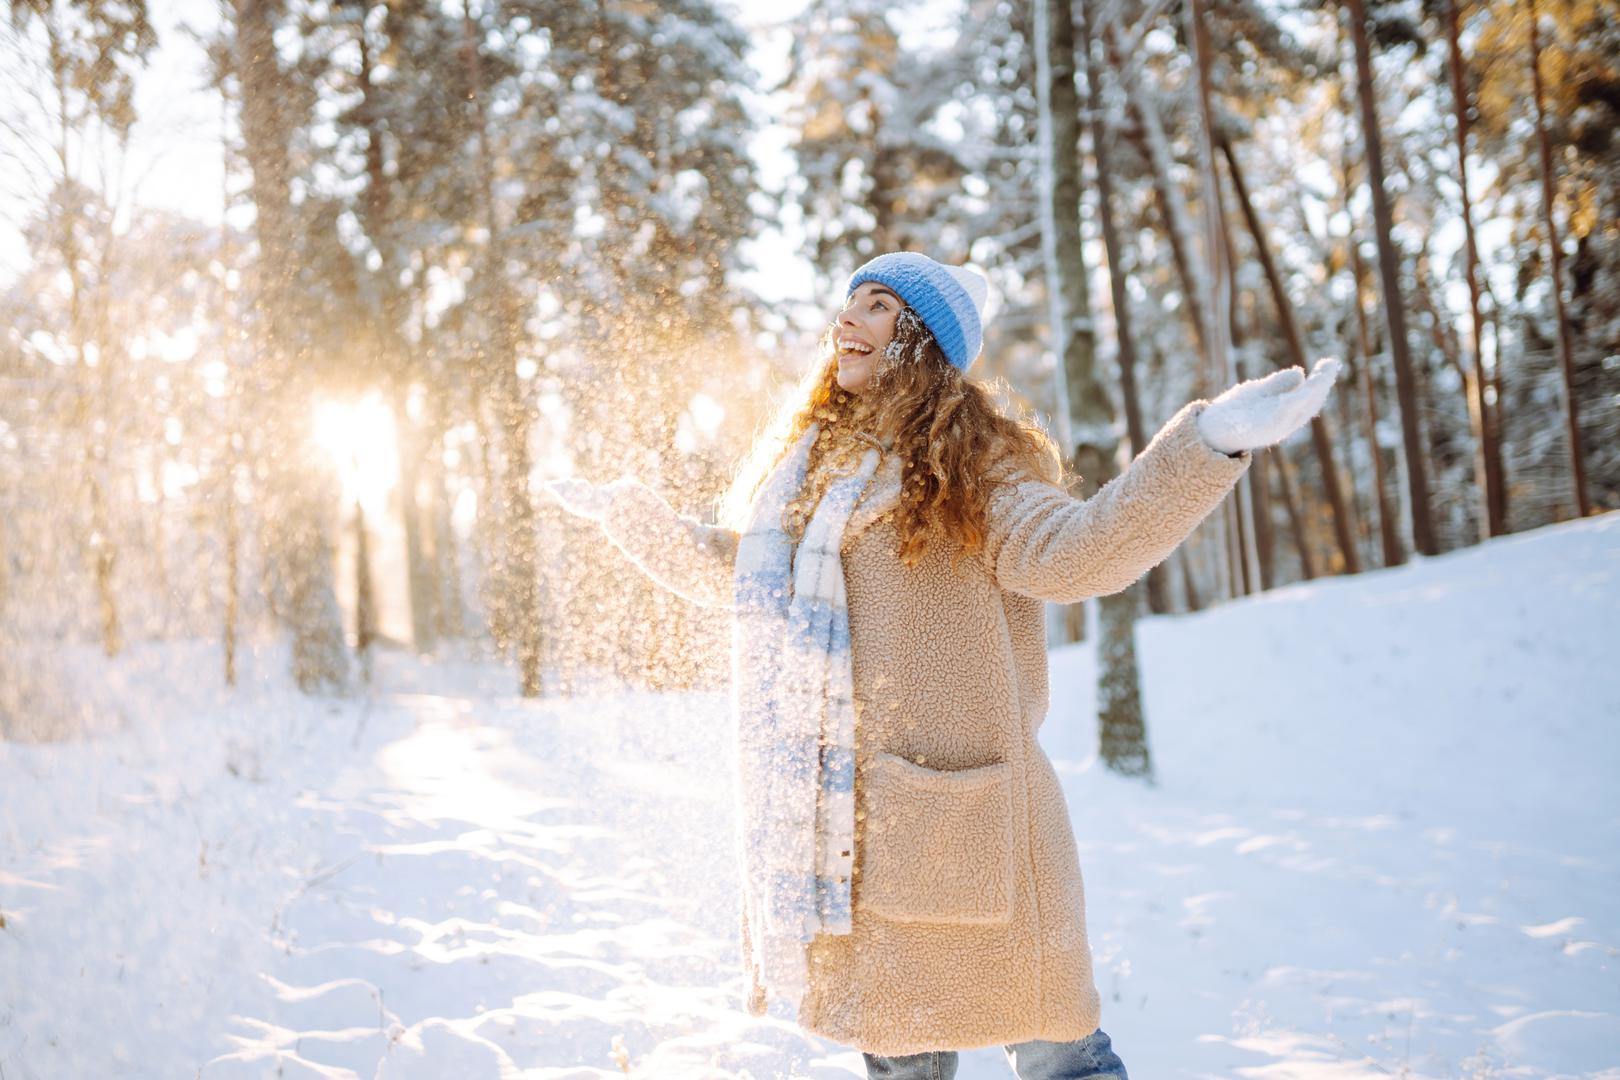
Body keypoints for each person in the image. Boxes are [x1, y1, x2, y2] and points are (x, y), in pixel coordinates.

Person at [545, 251, 1339, 1080]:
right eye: (848, 302)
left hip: (977, 827)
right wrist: (631, 521)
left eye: (878, 304)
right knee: (899, 1060)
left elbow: (1078, 554)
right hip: (861, 835)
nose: (847, 319)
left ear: (920, 337)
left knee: (1060, 1055)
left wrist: (1206, 444)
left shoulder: (978, 468)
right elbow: (749, 577)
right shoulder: (817, 474)